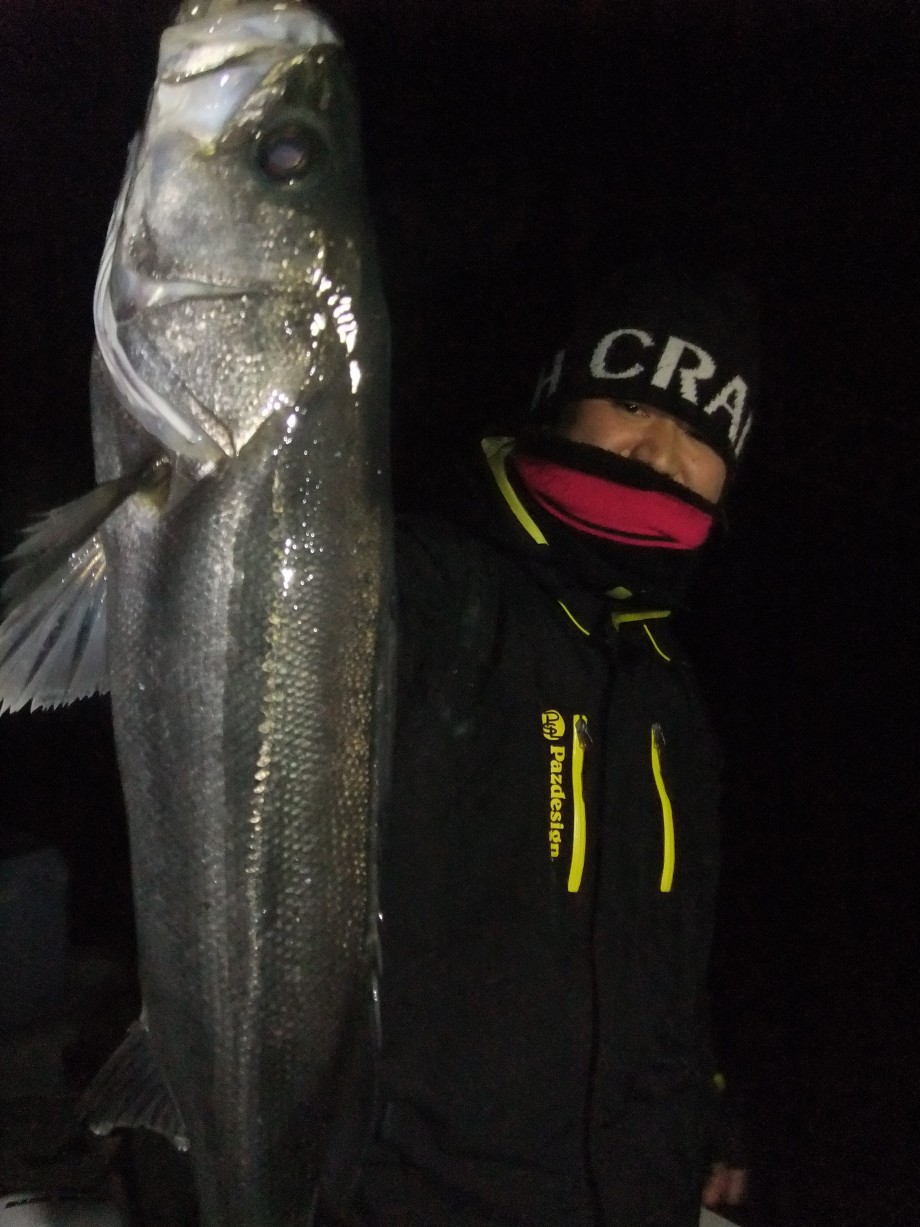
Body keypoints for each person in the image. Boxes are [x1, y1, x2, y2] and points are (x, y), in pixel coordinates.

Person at [338, 264, 757, 1227]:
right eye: (630, 403)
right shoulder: (418, 590)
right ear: (558, 398)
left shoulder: (670, 688)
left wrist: (706, 1108)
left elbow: (670, 953)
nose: (661, 451)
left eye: (703, 431)